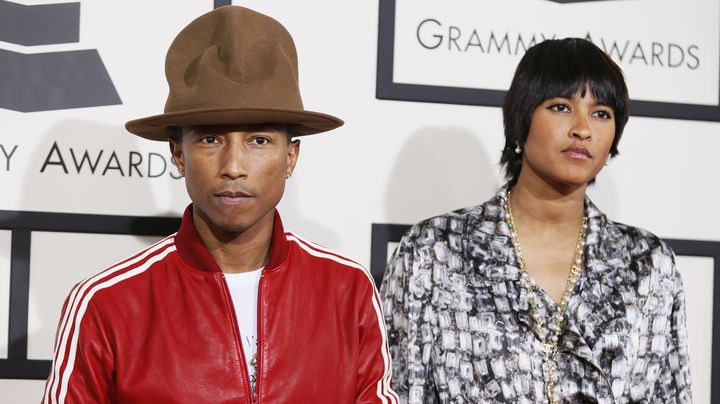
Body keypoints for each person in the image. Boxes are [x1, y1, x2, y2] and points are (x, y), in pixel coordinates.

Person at [42, 6, 398, 403]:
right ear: (178, 154)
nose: (233, 167)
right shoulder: (105, 302)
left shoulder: (346, 290)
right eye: (210, 139)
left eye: (259, 140)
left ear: (291, 157)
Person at [381, 38, 691, 403]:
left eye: (601, 113)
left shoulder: (648, 264)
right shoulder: (433, 252)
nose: (582, 128)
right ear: (520, 121)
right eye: (561, 107)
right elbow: (400, 391)